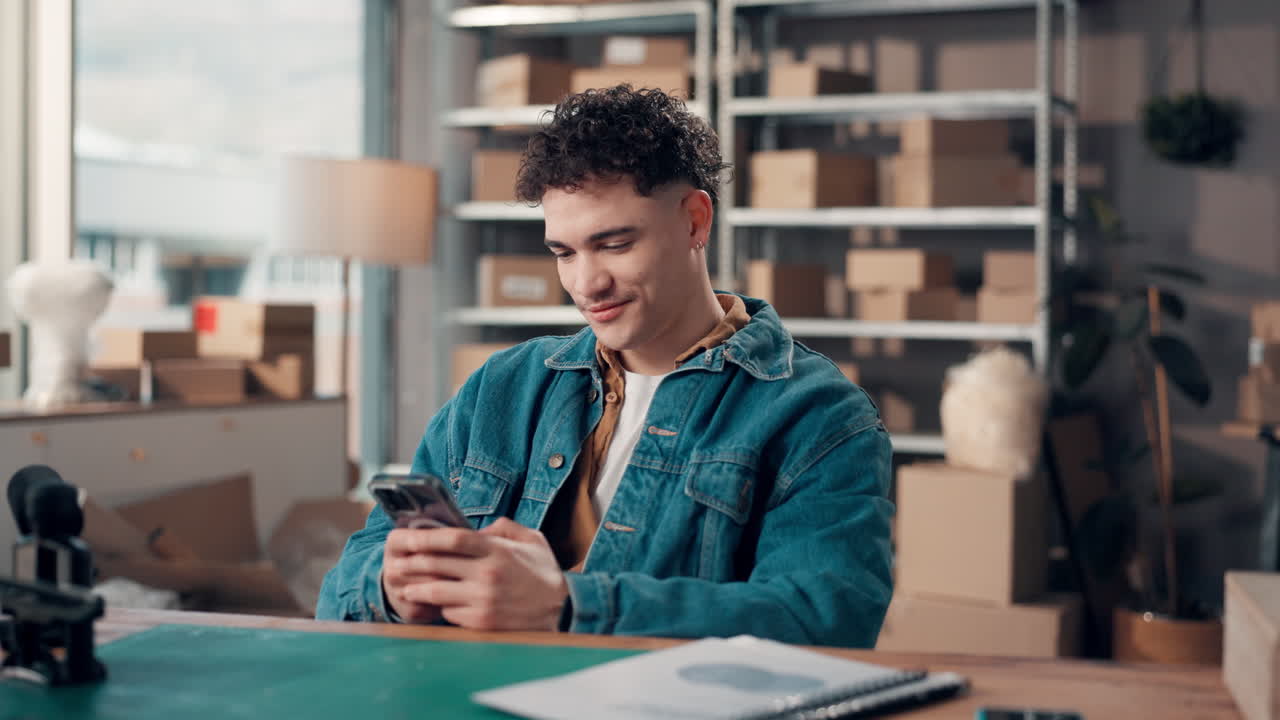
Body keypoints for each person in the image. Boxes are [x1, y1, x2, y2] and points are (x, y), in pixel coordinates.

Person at [316, 85, 894, 648]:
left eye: (614, 244)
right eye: (564, 253)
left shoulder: (819, 416)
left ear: (695, 221)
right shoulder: (501, 387)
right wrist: (392, 588)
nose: (586, 284)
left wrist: (567, 608)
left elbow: (825, 625)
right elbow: (340, 591)